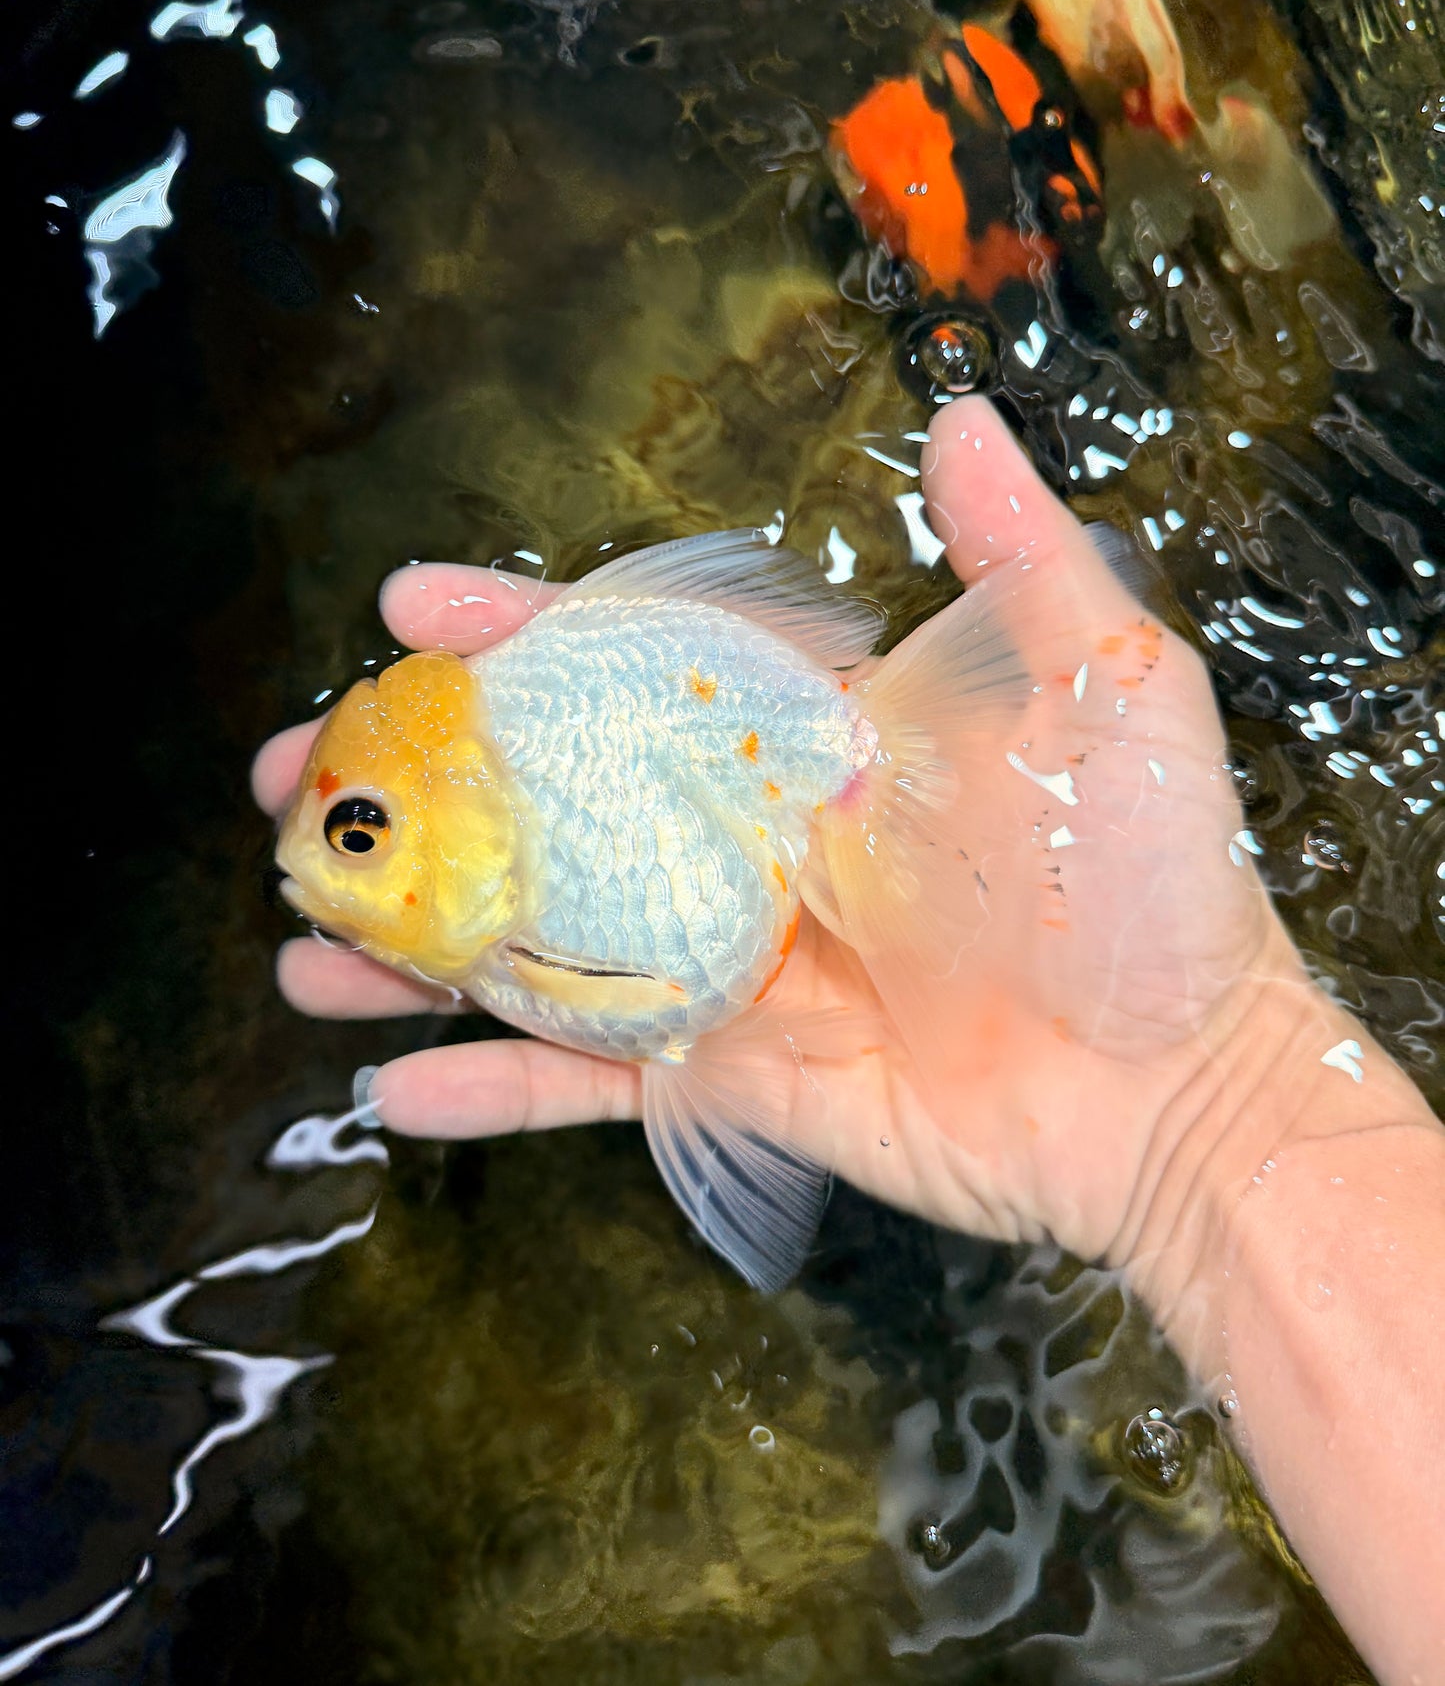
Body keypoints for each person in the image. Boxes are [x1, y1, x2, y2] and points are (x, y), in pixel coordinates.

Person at [253, 395, 1444, 1686]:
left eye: (358, 832)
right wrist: (1206, 1135)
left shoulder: (525, 845)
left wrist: (1207, 1106)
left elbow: (650, 1004)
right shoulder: (496, 910)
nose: (325, 864)